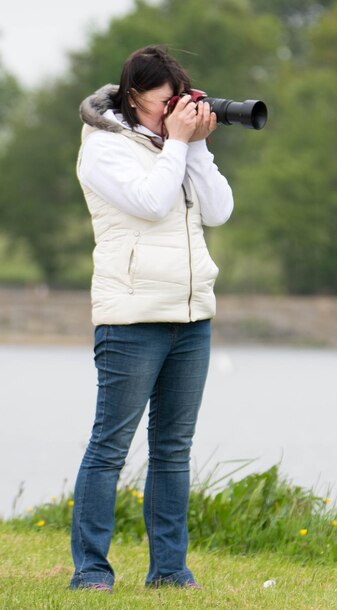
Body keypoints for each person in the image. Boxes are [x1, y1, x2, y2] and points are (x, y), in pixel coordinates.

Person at [69, 45, 233, 592]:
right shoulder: (103, 149)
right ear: (134, 96)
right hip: (132, 317)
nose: (173, 113)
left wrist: (198, 149)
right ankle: (92, 570)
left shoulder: (176, 146)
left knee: (172, 450)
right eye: (165, 103)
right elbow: (150, 203)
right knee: (110, 446)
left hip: (191, 317)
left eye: (178, 103)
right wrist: (178, 146)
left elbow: (219, 211)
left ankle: (169, 571)